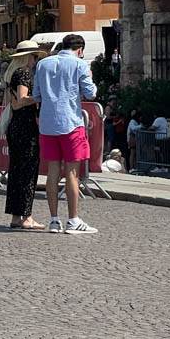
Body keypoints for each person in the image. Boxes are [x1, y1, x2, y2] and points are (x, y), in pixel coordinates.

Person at [31, 33, 98, 234]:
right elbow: (91, 93)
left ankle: (53, 220)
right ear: (80, 50)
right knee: (71, 173)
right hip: (71, 123)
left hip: (47, 123)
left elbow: (36, 95)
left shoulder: (43, 64)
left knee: (52, 173)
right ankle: (73, 220)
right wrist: (91, 79)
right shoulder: (79, 64)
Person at [1, 40, 45, 230]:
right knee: (27, 173)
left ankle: (15, 216)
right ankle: (27, 217)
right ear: (28, 57)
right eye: (34, 56)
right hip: (25, 126)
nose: (35, 60)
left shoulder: (12, 74)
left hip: (15, 127)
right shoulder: (25, 73)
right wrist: (40, 97)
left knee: (16, 172)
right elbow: (21, 100)